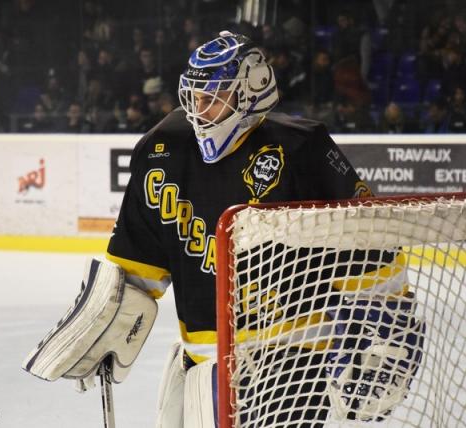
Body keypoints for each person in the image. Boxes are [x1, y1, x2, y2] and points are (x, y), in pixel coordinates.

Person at [24, 31, 423, 427]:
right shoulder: (165, 149)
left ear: (250, 91)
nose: (200, 110)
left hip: (295, 363)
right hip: (205, 362)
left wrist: (384, 323)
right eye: (194, 97)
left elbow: (370, 247)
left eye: (212, 98)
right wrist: (108, 322)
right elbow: (138, 261)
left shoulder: (302, 149)